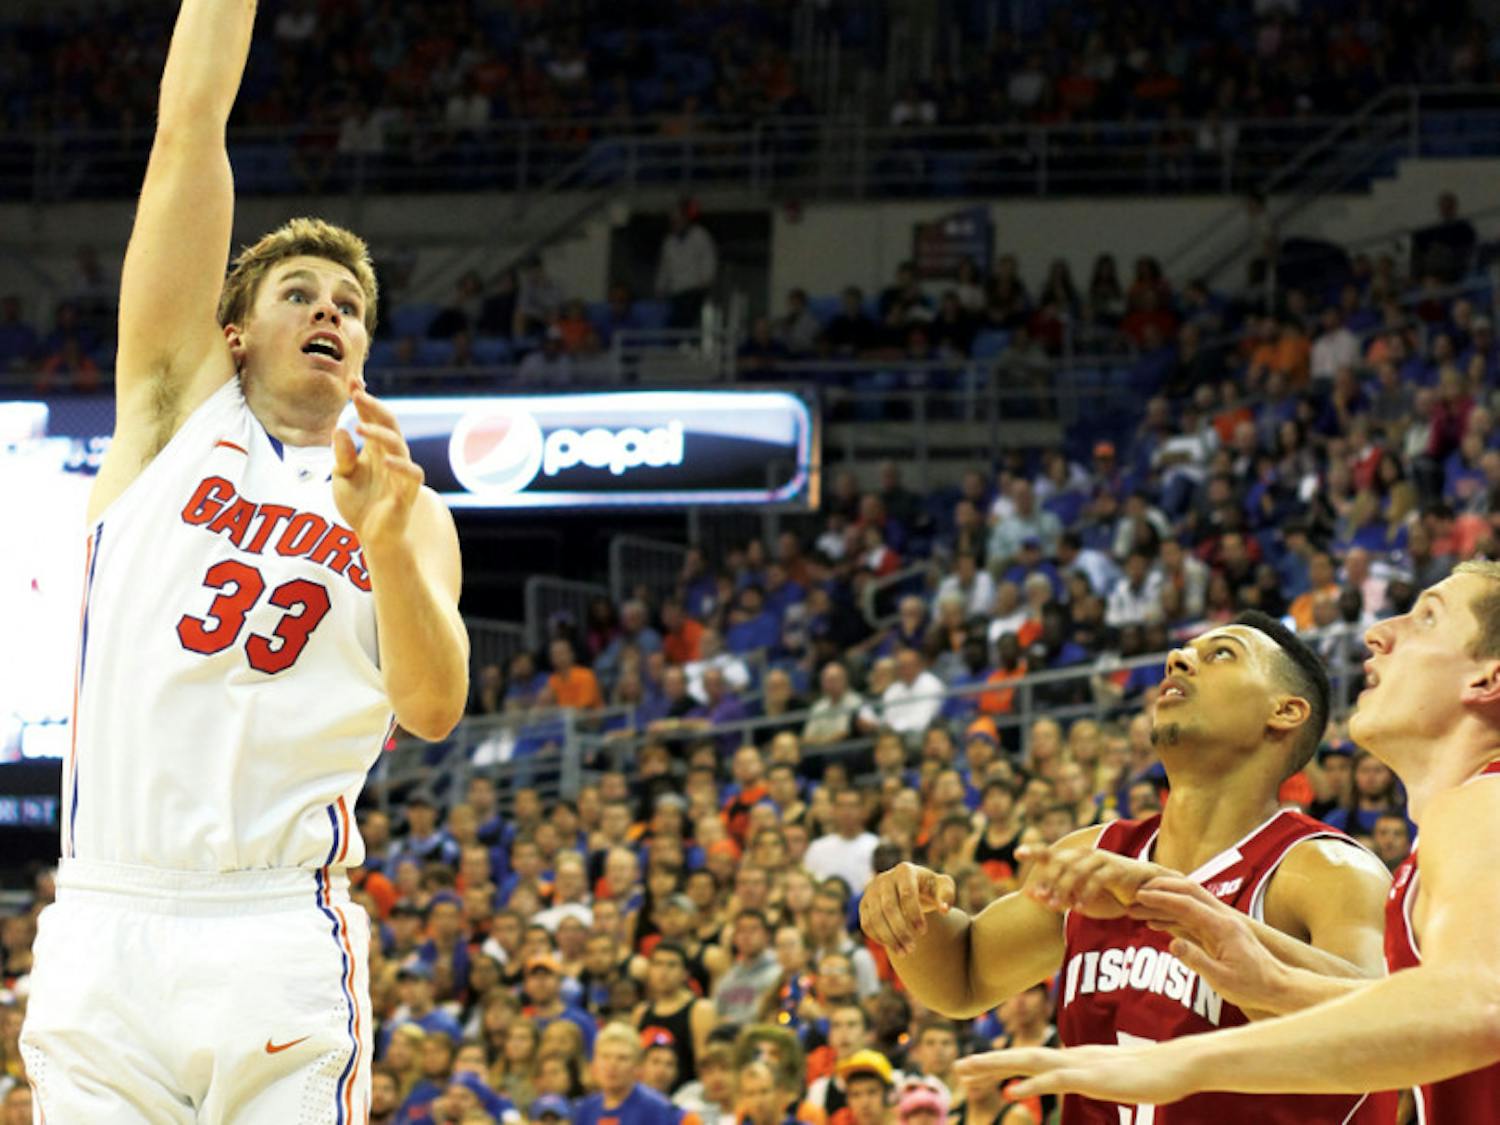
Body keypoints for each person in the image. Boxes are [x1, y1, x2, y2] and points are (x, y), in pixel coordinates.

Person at [17, 2, 469, 1120]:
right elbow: (189, 128)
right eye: (301, 295)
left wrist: (387, 551)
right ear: (233, 333)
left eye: (352, 307)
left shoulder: (406, 507)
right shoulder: (172, 416)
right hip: (105, 918)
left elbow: (433, 706)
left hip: (273, 922)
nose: (332, 312)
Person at [953, 564, 1500, 1121]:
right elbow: (1414, 1034)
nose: (1378, 631)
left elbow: (1476, 1009)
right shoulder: (1452, 825)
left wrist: (1187, 1063)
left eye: (1427, 617)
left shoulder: (1483, 803)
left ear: (1486, 680)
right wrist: (1278, 983)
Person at [859, 613, 1395, 1124]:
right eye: (1182, 652)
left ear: (1284, 711)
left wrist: (1175, 903)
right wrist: (910, 911)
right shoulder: (1101, 850)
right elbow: (965, 974)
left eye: (1221, 654)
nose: (1178, 659)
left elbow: (1382, 1031)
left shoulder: (1326, 869)